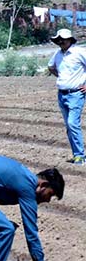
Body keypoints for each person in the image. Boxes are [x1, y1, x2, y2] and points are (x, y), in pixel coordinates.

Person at [48, 28, 86, 166]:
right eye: (58, 40)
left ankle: (80, 156)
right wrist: (62, 78)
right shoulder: (58, 54)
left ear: (70, 39)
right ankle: (77, 154)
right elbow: (51, 67)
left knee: (72, 123)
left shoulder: (80, 52)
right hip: (62, 94)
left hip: (76, 94)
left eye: (63, 39)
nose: (60, 42)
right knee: (69, 126)